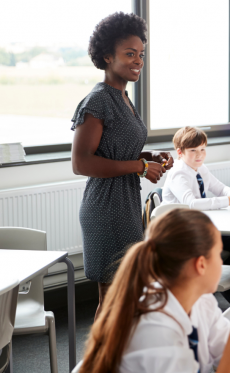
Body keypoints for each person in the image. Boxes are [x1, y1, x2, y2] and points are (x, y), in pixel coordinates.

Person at [77, 209, 230, 373]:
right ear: (201, 265)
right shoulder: (155, 330)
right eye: (219, 255)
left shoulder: (202, 302)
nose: (221, 264)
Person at [70, 12, 173, 320]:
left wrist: (149, 156)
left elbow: (115, 148)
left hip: (124, 204)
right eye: (130, 54)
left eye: (141, 54)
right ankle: (100, 363)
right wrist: (139, 166)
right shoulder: (98, 100)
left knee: (125, 296)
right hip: (106, 208)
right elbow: (81, 162)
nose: (138, 60)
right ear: (107, 56)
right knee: (114, 299)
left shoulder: (124, 97)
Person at [162, 126, 230, 304]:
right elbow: (192, 204)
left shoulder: (200, 167)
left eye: (203, 149)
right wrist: (228, 201)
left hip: (200, 227)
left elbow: (220, 187)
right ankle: (217, 286)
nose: (199, 155)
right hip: (183, 234)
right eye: (193, 151)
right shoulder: (178, 174)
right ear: (180, 152)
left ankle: (220, 285)